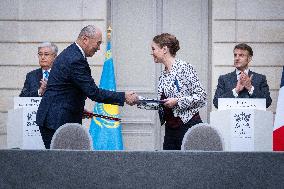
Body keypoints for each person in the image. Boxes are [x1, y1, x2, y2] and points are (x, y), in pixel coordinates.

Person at [36, 25, 138, 149]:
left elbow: (66, 89)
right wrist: (123, 96)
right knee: (63, 163)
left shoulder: (72, 52)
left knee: (64, 162)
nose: (99, 48)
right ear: (85, 39)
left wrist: (77, 108)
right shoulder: (75, 59)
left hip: (56, 117)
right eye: (98, 43)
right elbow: (93, 92)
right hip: (57, 120)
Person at [138, 33, 207, 150]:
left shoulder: (184, 67)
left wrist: (177, 101)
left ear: (164, 49)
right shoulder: (163, 75)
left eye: (153, 49)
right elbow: (162, 104)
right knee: (169, 166)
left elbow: (202, 97)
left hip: (188, 126)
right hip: (171, 130)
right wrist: (139, 101)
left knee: (188, 165)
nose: (151, 52)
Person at [213, 43, 272, 109]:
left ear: (249, 58)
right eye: (235, 55)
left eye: (241, 55)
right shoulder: (224, 79)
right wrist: (236, 90)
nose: (237, 58)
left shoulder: (260, 78)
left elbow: (267, 102)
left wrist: (250, 88)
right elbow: (216, 103)